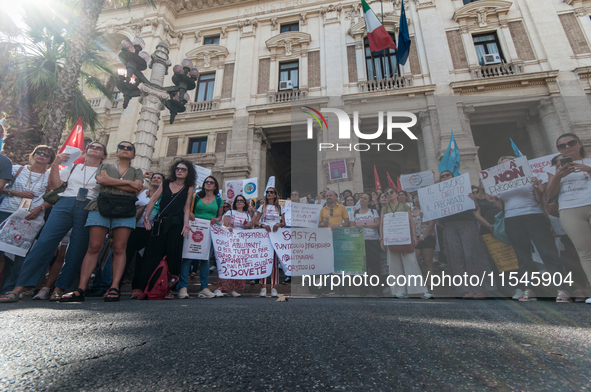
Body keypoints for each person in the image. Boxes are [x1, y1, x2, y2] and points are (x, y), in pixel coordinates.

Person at [0, 143, 107, 303]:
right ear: (86, 151)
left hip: (88, 206)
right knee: (43, 243)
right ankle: (18, 288)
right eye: (91, 146)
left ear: (104, 155)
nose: (94, 148)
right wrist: (56, 163)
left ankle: (59, 288)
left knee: (76, 249)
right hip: (64, 204)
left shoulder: (105, 171)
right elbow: (55, 186)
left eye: (99, 148)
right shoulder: (72, 168)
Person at [60, 141, 143, 302]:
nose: (125, 149)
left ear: (133, 154)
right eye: (122, 147)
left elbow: (136, 188)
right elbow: (101, 181)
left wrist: (114, 182)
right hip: (101, 206)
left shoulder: (137, 171)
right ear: (116, 151)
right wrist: (128, 182)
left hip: (125, 209)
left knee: (120, 248)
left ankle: (114, 286)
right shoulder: (105, 167)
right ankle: (81, 288)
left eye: (129, 148)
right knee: (94, 247)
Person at [487, 156, 572, 302]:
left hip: (534, 216)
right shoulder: (499, 183)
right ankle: (529, 289)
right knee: (522, 257)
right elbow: (503, 207)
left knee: (547, 252)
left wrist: (537, 185)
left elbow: (539, 200)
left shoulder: (530, 176)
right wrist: (494, 201)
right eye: (502, 164)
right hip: (512, 220)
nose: (507, 166)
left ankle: (561, 289)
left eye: (510, 162)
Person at [0, 145, 54, 297]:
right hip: (7, 212)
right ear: (33, 154)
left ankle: (9, 290)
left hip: (30, 217)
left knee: (19, 254)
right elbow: (1, 187)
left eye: (47, 154)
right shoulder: (17, 169)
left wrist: (40, 208)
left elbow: (53, 197)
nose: (42, 155)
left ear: (51, 160)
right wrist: (16, 192)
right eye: (39, 152)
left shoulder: (50, 176)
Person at [138, 160, 194, 299]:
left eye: (183, 169)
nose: (179, 171)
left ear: (188, 172)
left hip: (177, 224)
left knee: (173, 256)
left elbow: (186, 207)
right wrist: (146, 216)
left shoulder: (189, 186)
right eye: (177, 168)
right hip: (161, 223)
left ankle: (168, 289)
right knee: (153, 254)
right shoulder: (166, 183)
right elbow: (153, 200)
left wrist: (186, 224)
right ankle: (149, 287)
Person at [546, 133, 591, 304]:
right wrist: (558, 176)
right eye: (561, 146)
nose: (567, 147)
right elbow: (550, 194)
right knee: (585, 252)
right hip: (569, 209)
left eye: (571, 143)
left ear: (579, 144)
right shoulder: (554, 170)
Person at [438, 171, 495, 299]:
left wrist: (473, 200)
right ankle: (465, 289)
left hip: (467, 223)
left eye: (448, 175)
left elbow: (475, 209)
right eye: (443, 176)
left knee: (472, 255)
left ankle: (480, 288)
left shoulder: (464, 188)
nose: (445, 177)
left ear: (454, 177)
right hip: (449, 226)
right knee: (455, 257)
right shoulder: (438, 194)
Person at [379, 187, 432, 299]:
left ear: (397, 193)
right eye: (386, 193)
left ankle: (420, 290)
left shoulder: (405, 207)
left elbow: (411, 221)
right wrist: (382, 239)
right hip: (391, 240)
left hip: (405, 239)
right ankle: (398, 290)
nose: (389, 194)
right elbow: (381, 225)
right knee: (394, 266)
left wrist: (413, 235)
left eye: (391, 192)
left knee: (411, 263)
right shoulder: (385, 209)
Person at [179, 175, 222, 299]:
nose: (208, 183)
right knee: (187, 257)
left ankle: (203, 287)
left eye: (211, 182)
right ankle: (183, 287)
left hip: (208, 231)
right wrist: (190, 213)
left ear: (215, 186)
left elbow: (220, 216)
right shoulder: (195, 197)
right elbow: (187, 209)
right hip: (193, 229)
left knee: (205, 260)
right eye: (206, 182)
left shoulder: (219, 199)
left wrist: (216, 219)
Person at [128, 173, 165, 299]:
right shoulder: (142, 191)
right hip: (133, 228)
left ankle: (138, 287)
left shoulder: (163, 196)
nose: (155, 179)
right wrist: (141, 175)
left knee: (141, 259)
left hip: (149, 231)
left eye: (159, 178)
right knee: (126, 257)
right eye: (154, 177)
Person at [215, 195, 252, 297]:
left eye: (241, 200)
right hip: (230, 243)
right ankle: (219, 288)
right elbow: (223, 225)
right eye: (237, 200)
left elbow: (250, 228)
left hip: (241, 244)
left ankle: (232, 289)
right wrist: (227, 227)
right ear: (235, 203)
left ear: (244, 203)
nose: (239, 202)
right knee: (227, 265)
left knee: (238, 266)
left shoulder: (247, 215)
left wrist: (248, 226)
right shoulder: (229, 212)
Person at [252, 186, 285, 297]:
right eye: (267, 192)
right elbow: (255, 222)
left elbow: (284, 223)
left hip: (276, 236)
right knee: (264, 261)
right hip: (264, 236)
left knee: (275, 263)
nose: (269, 194)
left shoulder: (280, 208)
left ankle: (274, 287)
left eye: (272, 192)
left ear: (275, 195)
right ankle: (263, 287)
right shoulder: (262, 207)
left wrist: (278, 224)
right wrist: (263, 225)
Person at [349, 192, 381, 296]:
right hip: (359, 242)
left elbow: (377, 224)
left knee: (375, 266)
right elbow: (351, 226)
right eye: (361, 198)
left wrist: (365, 225)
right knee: (362, 267)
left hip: (373, 241)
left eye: (365, 198)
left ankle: (378, 290)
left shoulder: (373, 211)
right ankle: (363, 291)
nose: (362, 199)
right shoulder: (354, 213)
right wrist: (357, 227)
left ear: (369, 201)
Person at [412, 195, 436, 287]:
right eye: (415, 197)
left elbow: (431, 224)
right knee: (414, 261)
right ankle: (417, 284)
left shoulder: (427, 209)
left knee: (428, 260)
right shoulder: (410, 211)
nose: (416, 199)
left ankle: (430, 284)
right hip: (415, 238)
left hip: (427, 238)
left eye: (418, 197)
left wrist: (423, 237)